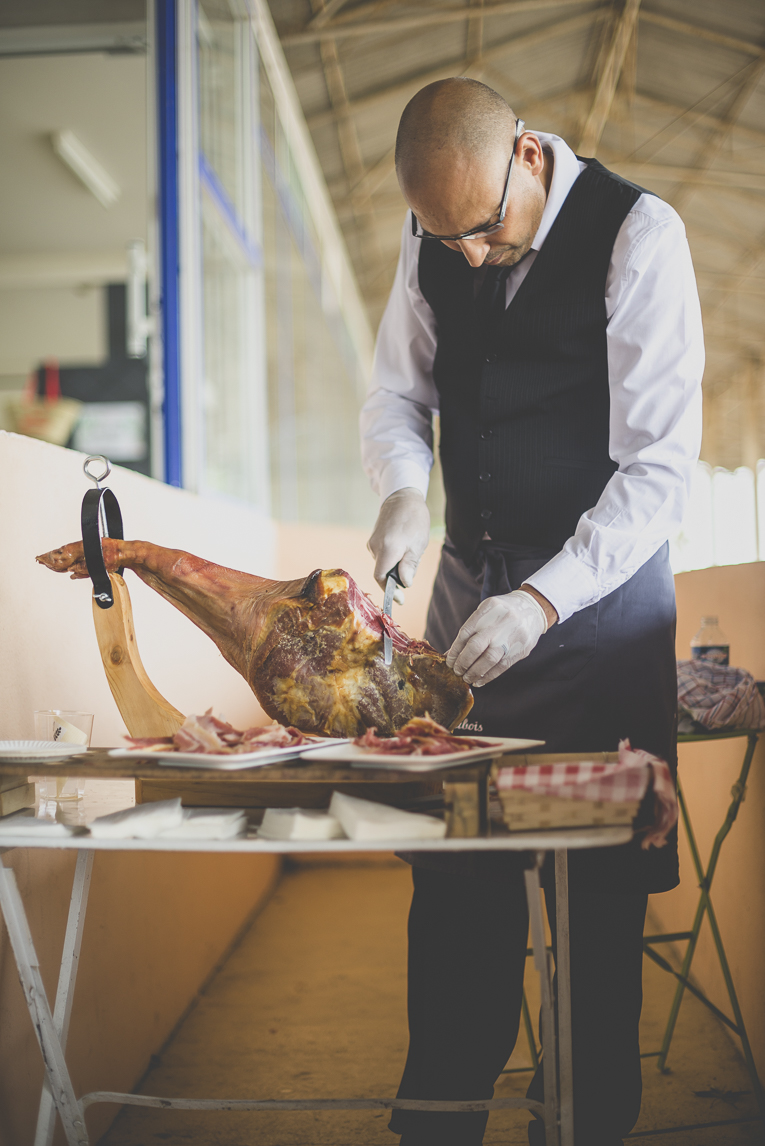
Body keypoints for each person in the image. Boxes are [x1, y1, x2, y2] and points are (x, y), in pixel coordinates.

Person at [360, 78, 704, 1146]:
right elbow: (395, 397)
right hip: (467, 595)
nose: (464, 254)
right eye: (440, 233)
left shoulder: (638, 234)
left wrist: (546, 598)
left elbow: (660, 469)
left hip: (600, 613)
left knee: (596, 914)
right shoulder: (435, 241)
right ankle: (442, 1126)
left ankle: (586, 1126)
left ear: (529, 157)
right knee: (458, 890)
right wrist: (405, 489)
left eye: (481, 228)